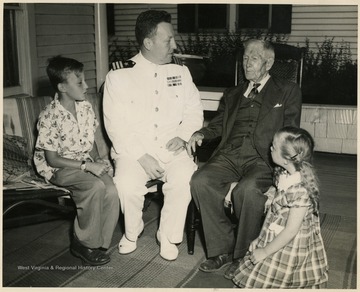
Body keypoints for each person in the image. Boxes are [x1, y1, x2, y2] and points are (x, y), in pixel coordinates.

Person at [187, 39, 302, 278]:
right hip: (229, 154)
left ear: (268, 63)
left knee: (247, 191)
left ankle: (243, 255)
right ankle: (221, 249)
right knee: (201, 181)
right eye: (245, 58)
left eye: (254, 58)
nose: (247, 63)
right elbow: (217, 126)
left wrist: (286, 167)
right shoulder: (233, 93)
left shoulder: (288, 90)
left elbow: (291, 131)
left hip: (262, 158)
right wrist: (201, 133)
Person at [103, 10, 203, 261]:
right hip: (134, 150)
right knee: (126, 184)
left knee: (184, 179)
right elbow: (115, 125)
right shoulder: (119, 76)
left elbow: (193, 112)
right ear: (148, 43)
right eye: (168, 40)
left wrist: (183, 136)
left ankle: (168, 236)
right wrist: (141, 156)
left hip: (173, 148)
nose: (175, 45)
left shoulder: (181, 73)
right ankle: (131, 232)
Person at [33, 56, 120, 266]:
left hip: (84, 161)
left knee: (111, 190)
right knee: (94, 187)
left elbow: (88, 141)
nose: (86, 86)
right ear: (62, 87)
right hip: (60, 167)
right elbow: (52, 160)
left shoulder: (85, 107)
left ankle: (99, 244)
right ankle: (83, 243)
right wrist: (86, 166)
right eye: (79, 82)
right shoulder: (49, 116)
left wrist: (99, 158)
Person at [232, 126, 329, 288]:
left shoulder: (300, 190)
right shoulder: (283, 175)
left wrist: (265, 251)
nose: (270, 147)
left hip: (291, 243)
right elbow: (272, 214)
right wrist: (260, 239)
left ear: (286, 159)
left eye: (274, 147)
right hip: (275, 233)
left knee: (285, 276)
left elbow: (291, 231)